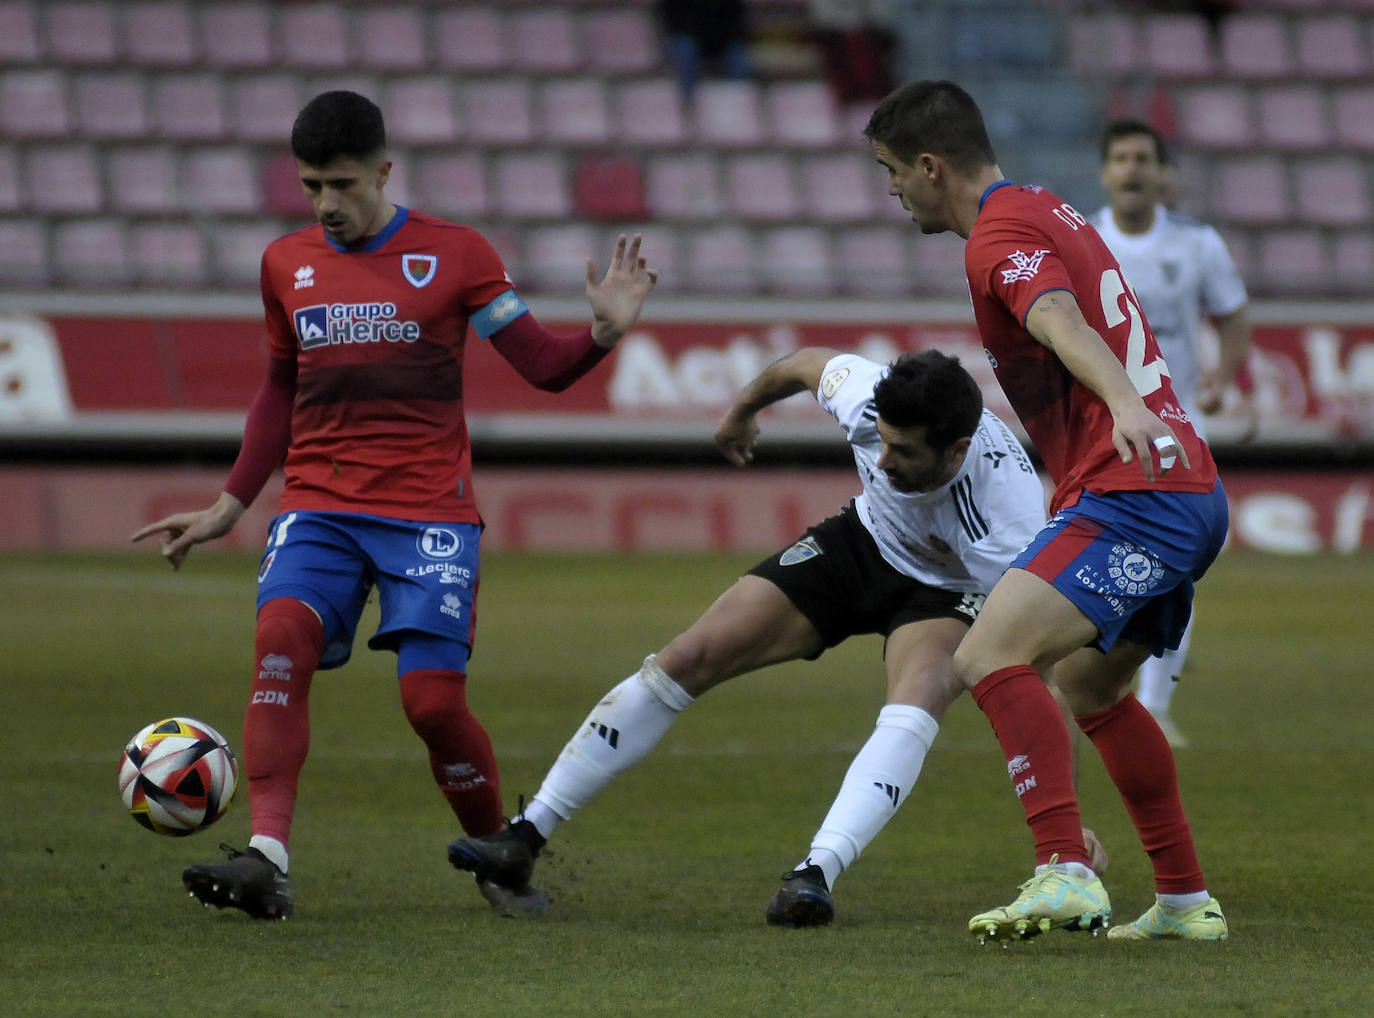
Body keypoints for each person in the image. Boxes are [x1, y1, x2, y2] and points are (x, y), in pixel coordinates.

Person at [130, 90, 659, 920]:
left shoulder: (457, 255)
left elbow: (543, 367)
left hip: (428, 513)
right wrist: (233, 503)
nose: (326, 205)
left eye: (342, 184)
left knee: (433, 704)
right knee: (279, 641)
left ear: (383, 171)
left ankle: (500, 854)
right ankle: (267, 853)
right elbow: (278, 388)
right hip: (320, 504)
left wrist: (601, 334)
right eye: (311, 187)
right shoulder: (284, 264)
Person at [448, 346, 1108, 925]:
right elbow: (799, 363)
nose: (884, 458)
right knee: (688, 655)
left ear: (957, 451)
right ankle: (523, 839)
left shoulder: (1010, 516)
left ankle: (814, 875)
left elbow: (1036, 670)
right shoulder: (866, 396)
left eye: (905, 452)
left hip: (948, 588)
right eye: (881, 440)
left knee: (914, 702)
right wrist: (742, 410)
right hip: (861, 544)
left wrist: (1066, 818)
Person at [863, 80, 1230, 942]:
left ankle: (1065, 869)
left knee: (988, 651)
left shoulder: (998, 233)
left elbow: (1057, 316)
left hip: (1137, 486)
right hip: (1182, 487)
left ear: (929, 165)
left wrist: (1124, 403)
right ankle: (1183, 900)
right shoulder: (1042, 206)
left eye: (890, 172)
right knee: (1091, 684)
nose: (890, 192)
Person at [1090, 118, 1253, 748]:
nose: (1132, 169)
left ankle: (1154, 705)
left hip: (1179, 426)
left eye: (1143, 158)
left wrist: (1222, 379)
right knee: (1094, 557)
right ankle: (1095, 686)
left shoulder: (1197, 243)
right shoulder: (1085, 242)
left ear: (1162, 175)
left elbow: (1234, 313)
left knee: (1178, 566)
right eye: (1121, 157)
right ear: (1105, 172)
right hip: (1100, 428)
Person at [658, 0, 752, 103]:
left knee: (739, 60)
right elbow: (673, 20)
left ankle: (738, 103)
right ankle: (687, 102)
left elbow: (735, 19)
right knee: (686, 52)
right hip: (689, 36)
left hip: (723, 39)